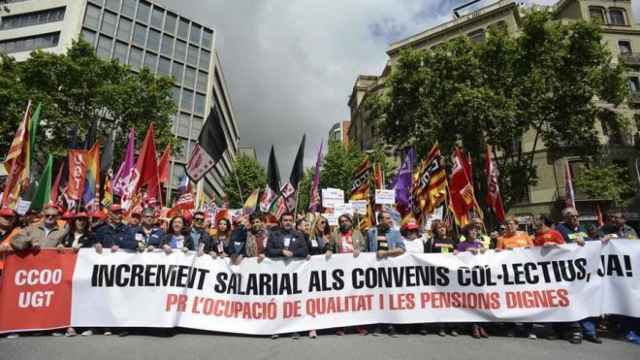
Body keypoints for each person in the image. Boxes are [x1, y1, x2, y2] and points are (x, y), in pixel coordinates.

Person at [265, 212, 308, 339]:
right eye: (285, 220)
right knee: (277, 301)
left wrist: (292, 253)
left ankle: (294, 329)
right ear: (281, 222)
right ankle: (276, 328)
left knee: (293, 302)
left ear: (293, 222)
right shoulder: (274, 235)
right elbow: (269, 251)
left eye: (290, 220)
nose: (287, 222)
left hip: (294, 274)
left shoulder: (298, 235)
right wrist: (281, 251)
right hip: (277, 274)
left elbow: (305, 251)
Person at [367, 211, 405, 337]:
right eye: (387, 218)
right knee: (377, 297)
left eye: (390, 218)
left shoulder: (395, 233)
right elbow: (366, 251)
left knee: (389, 297)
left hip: (389, 269)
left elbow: (402, 249)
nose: (390, 220)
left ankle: (391, 325)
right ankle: (377, 324)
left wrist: (386, 253)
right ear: (380, 220)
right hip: (375, 270)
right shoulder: (371, 232)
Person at [329, 213, 368, 336]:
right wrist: (329, 251)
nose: (343, 223)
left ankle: (360, 325)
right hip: (341, 271)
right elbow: (330, 247)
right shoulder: (335, 234)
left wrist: (359, 250)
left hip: (356, 270)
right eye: (341, 221)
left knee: (357, 297)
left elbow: (364, 246)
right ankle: (342, 326)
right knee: (342, 298)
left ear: (351, 222)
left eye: (346, 220)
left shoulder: (357, 233)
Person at [456, 224, 488, 339]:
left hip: (479, 276)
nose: (474, 232)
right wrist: (466, 251)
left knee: (480, 301)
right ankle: (474, 326)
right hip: (467, 277)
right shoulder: (462, 245)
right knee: (471, 301)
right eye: (472, 231)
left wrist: (484, 250)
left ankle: (481, 326)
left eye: (476, 231)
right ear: (466, 233)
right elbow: (456, 256)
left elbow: (487, 256)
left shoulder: (480, 244)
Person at [427, 220, 458, 336]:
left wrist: (457, 251)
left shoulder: (452, 241)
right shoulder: (431, 241)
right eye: (439, 227)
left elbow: (459, 254)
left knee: (452, 301)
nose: (442, 229)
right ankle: (441, 327)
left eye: (443, 227)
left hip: (451, 275)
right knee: (440, 302)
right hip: (438, 276)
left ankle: (453, 327)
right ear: (435, 229)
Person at [0, 207, 20, 277]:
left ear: (14, 219)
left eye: (10, 217)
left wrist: (12, 247)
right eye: (5, 216)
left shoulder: (18, 232)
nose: (7, 219)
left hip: (8, 269)